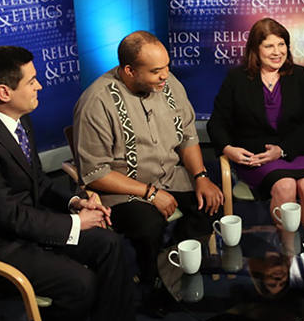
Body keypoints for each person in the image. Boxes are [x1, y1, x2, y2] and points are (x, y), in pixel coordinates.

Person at [0, 46, 136, 321]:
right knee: (79, 284)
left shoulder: (18, 119)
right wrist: (75, 223)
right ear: (5, 92)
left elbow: (38, 182)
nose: (39, 85)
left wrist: (75, 203)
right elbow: (8, 216)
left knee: (111, 245)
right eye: (31, 81)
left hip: (23, 225)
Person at [73, 31, 223, 286]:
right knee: (148, 226)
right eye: (155, 71)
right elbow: (96, 173)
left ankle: (171, 272)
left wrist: (201, 176)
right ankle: (152, 283)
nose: (165, 75)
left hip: (170, 176)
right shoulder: (96, 102)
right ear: (130, 71)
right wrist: (151, 193)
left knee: (209, 202)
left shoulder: (169, 84)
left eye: (166, 67)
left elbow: (187, 137)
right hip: (123, 190)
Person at [207, 17, 304, 226]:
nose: (277, 52)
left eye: (281, 44)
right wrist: (228, 149)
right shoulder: (237, 79)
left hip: (295, 151)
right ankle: (287, 255)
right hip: (257, 156)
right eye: (269, 46)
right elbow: (217, 122)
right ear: (256, 49)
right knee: (285, 186)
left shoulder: (299, 75)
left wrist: (281, 150)